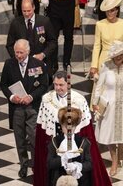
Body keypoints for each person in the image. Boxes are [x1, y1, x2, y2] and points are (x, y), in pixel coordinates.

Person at [34, 71, 111, 186]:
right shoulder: (46, 99)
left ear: (68, 84)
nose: (58, 88)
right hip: (56, 143)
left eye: (61, 85)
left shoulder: (79, 100)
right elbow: (42, 129)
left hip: (76, 146)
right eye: (55, 84)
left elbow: (86, 129)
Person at [0, 39, 48, 178]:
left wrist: (31, 97)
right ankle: (23, 164)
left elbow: (44, 85)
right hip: (17, 109)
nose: (19, 55)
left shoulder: (38, 64)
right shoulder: (9, 64)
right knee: (19, 139)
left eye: (21, 52)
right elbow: (3, 84)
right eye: (16, 52)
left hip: (32, 107)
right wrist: (11, 97)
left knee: (34, 138)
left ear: (28, 51)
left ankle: (36, 164)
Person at [35, 0, 87, 70]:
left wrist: (82, 4)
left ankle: (67, 61)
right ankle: (53, 62)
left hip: (69, 3)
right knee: (53, 36)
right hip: (54, 2)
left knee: (69, 35)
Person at [6, 0, 57, 83]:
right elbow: (9, 45)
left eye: (29, 10)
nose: (26, 14)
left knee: (41, 87)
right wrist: (18, 57)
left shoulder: (44, 21)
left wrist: (43, 54)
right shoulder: (15, 23)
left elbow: (53, 42)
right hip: (22, 64)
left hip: (41, 62)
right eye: (24, 11)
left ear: (34, 7)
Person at [92, 40, 123, 177]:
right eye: (117, 55)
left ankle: (121, 157)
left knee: (121, 136)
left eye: (121, 54)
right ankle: (114, 162)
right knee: (110, 136)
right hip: (109, 106)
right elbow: (98, 87)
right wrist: (95, 103)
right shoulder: (106, 66)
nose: (119, 57)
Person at [47, 107, 92, 186]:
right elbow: (49, 163)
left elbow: (90, 164)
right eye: (66, 127)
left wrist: (79, 166)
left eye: (72, 127)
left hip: (80, 182)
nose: (69, 131)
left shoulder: (83, 142)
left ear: (76, 126)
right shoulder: (55, 142)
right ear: (61, 125)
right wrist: (62, 159)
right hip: (59, 179)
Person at [90, 0, 123, 77]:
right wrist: (94, 65)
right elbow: (97, 46)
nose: (109, 13)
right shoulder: (100, 24)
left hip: (119, 59)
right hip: (104, 59)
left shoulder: (122, 24)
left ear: (117, 11)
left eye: (112, 10)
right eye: (107, 11)